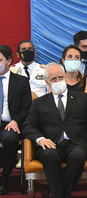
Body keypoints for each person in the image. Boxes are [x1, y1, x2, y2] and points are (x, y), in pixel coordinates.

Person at [23, 63, 87, 198]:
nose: (58, 81)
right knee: (50, 156)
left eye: (61, 77)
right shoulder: (39, 103)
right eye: (54, 79)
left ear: (65, 77)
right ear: (47, 82)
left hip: (76, 144)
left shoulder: (82, 98)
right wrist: (40, 139)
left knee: (77, 156)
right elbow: (28, 126)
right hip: (51, 144)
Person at [0, 45, 32, 194]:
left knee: (11, 139)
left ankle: (4, 179)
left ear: (9, 61)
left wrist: (16, 121)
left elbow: (27, 107)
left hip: (10, 124)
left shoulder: (21, 81)